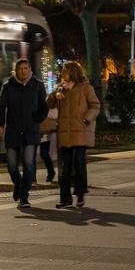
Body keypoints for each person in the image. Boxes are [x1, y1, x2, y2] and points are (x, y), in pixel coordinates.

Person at [0, 58, 47, 208]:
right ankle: (19, 184)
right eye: (20, 69)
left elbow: (44, 106)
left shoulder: (38, 86)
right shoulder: (8, 86)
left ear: (30, 69)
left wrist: (39, 117)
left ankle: (24, 196)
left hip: (31, 131)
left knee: (29, 164)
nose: (23, 71)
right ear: (16, 70)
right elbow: (0, 107)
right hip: (13, 131)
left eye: (25, 68)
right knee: (11, 166)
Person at [47, 61, 100, 208]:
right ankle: (65, 199)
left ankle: (80, 194)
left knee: (78, 163)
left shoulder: (85, 88)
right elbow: (49, 104)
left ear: (73, 72)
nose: (62, 73)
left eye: (65, 71)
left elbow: (95, 106)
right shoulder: (60, 88)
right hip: (65, 133)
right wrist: (54, 96)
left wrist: (87, 119)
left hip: (81, 132)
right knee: (65, 168)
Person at [39, 106, 58, 184]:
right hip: (42, 132)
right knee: (43, 153)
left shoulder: (52, 106)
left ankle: (51, 173)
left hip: (49, 133)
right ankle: (51, 172)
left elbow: (55, 116)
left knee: (44, 153)